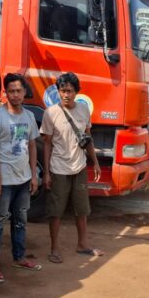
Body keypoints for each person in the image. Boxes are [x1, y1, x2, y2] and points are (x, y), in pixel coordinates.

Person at [0, 73, 42, 283]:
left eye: (19, 91)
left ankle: (19, 257)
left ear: (25, 92)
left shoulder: (28, 116)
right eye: (11, 91)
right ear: (5, 92)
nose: (15, 95)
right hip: (4, 182)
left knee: (20, 222)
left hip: (23, 180)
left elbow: (32, 144)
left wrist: (33, 176)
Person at [40, 72, 103, 264]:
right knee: (56, 211)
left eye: (69, 91)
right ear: (58, 92)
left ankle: (82, 244)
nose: (66, 95)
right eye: (62, 91)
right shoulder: (50, 113)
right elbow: (47, 144)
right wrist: (47, 173)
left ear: (77, 92)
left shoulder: (84, 110)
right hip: (59, 168)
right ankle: (54, 248)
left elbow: (87, 138)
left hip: (80, 167)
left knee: (82, 208)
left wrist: (96, 162)